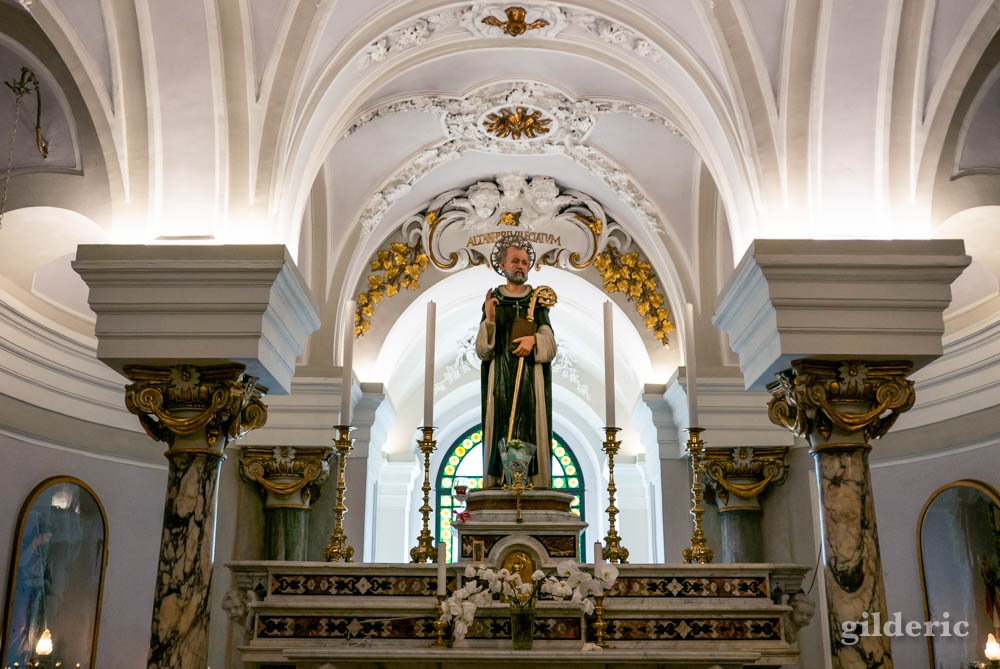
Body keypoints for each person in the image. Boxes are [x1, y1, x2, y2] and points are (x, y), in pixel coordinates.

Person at [476, 235, 556, 488]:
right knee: (501, 421)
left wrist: (534, 341)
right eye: (515, 261)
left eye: (524, 262)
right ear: (503, 265)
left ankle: (530, 479)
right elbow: (483, 350)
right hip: (501, 374)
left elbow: (550, 344)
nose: (520, 266)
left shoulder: (536, 300)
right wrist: (490, 319)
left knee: (529, 421)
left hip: (530, 377)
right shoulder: (494, 301)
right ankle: (501, 478)